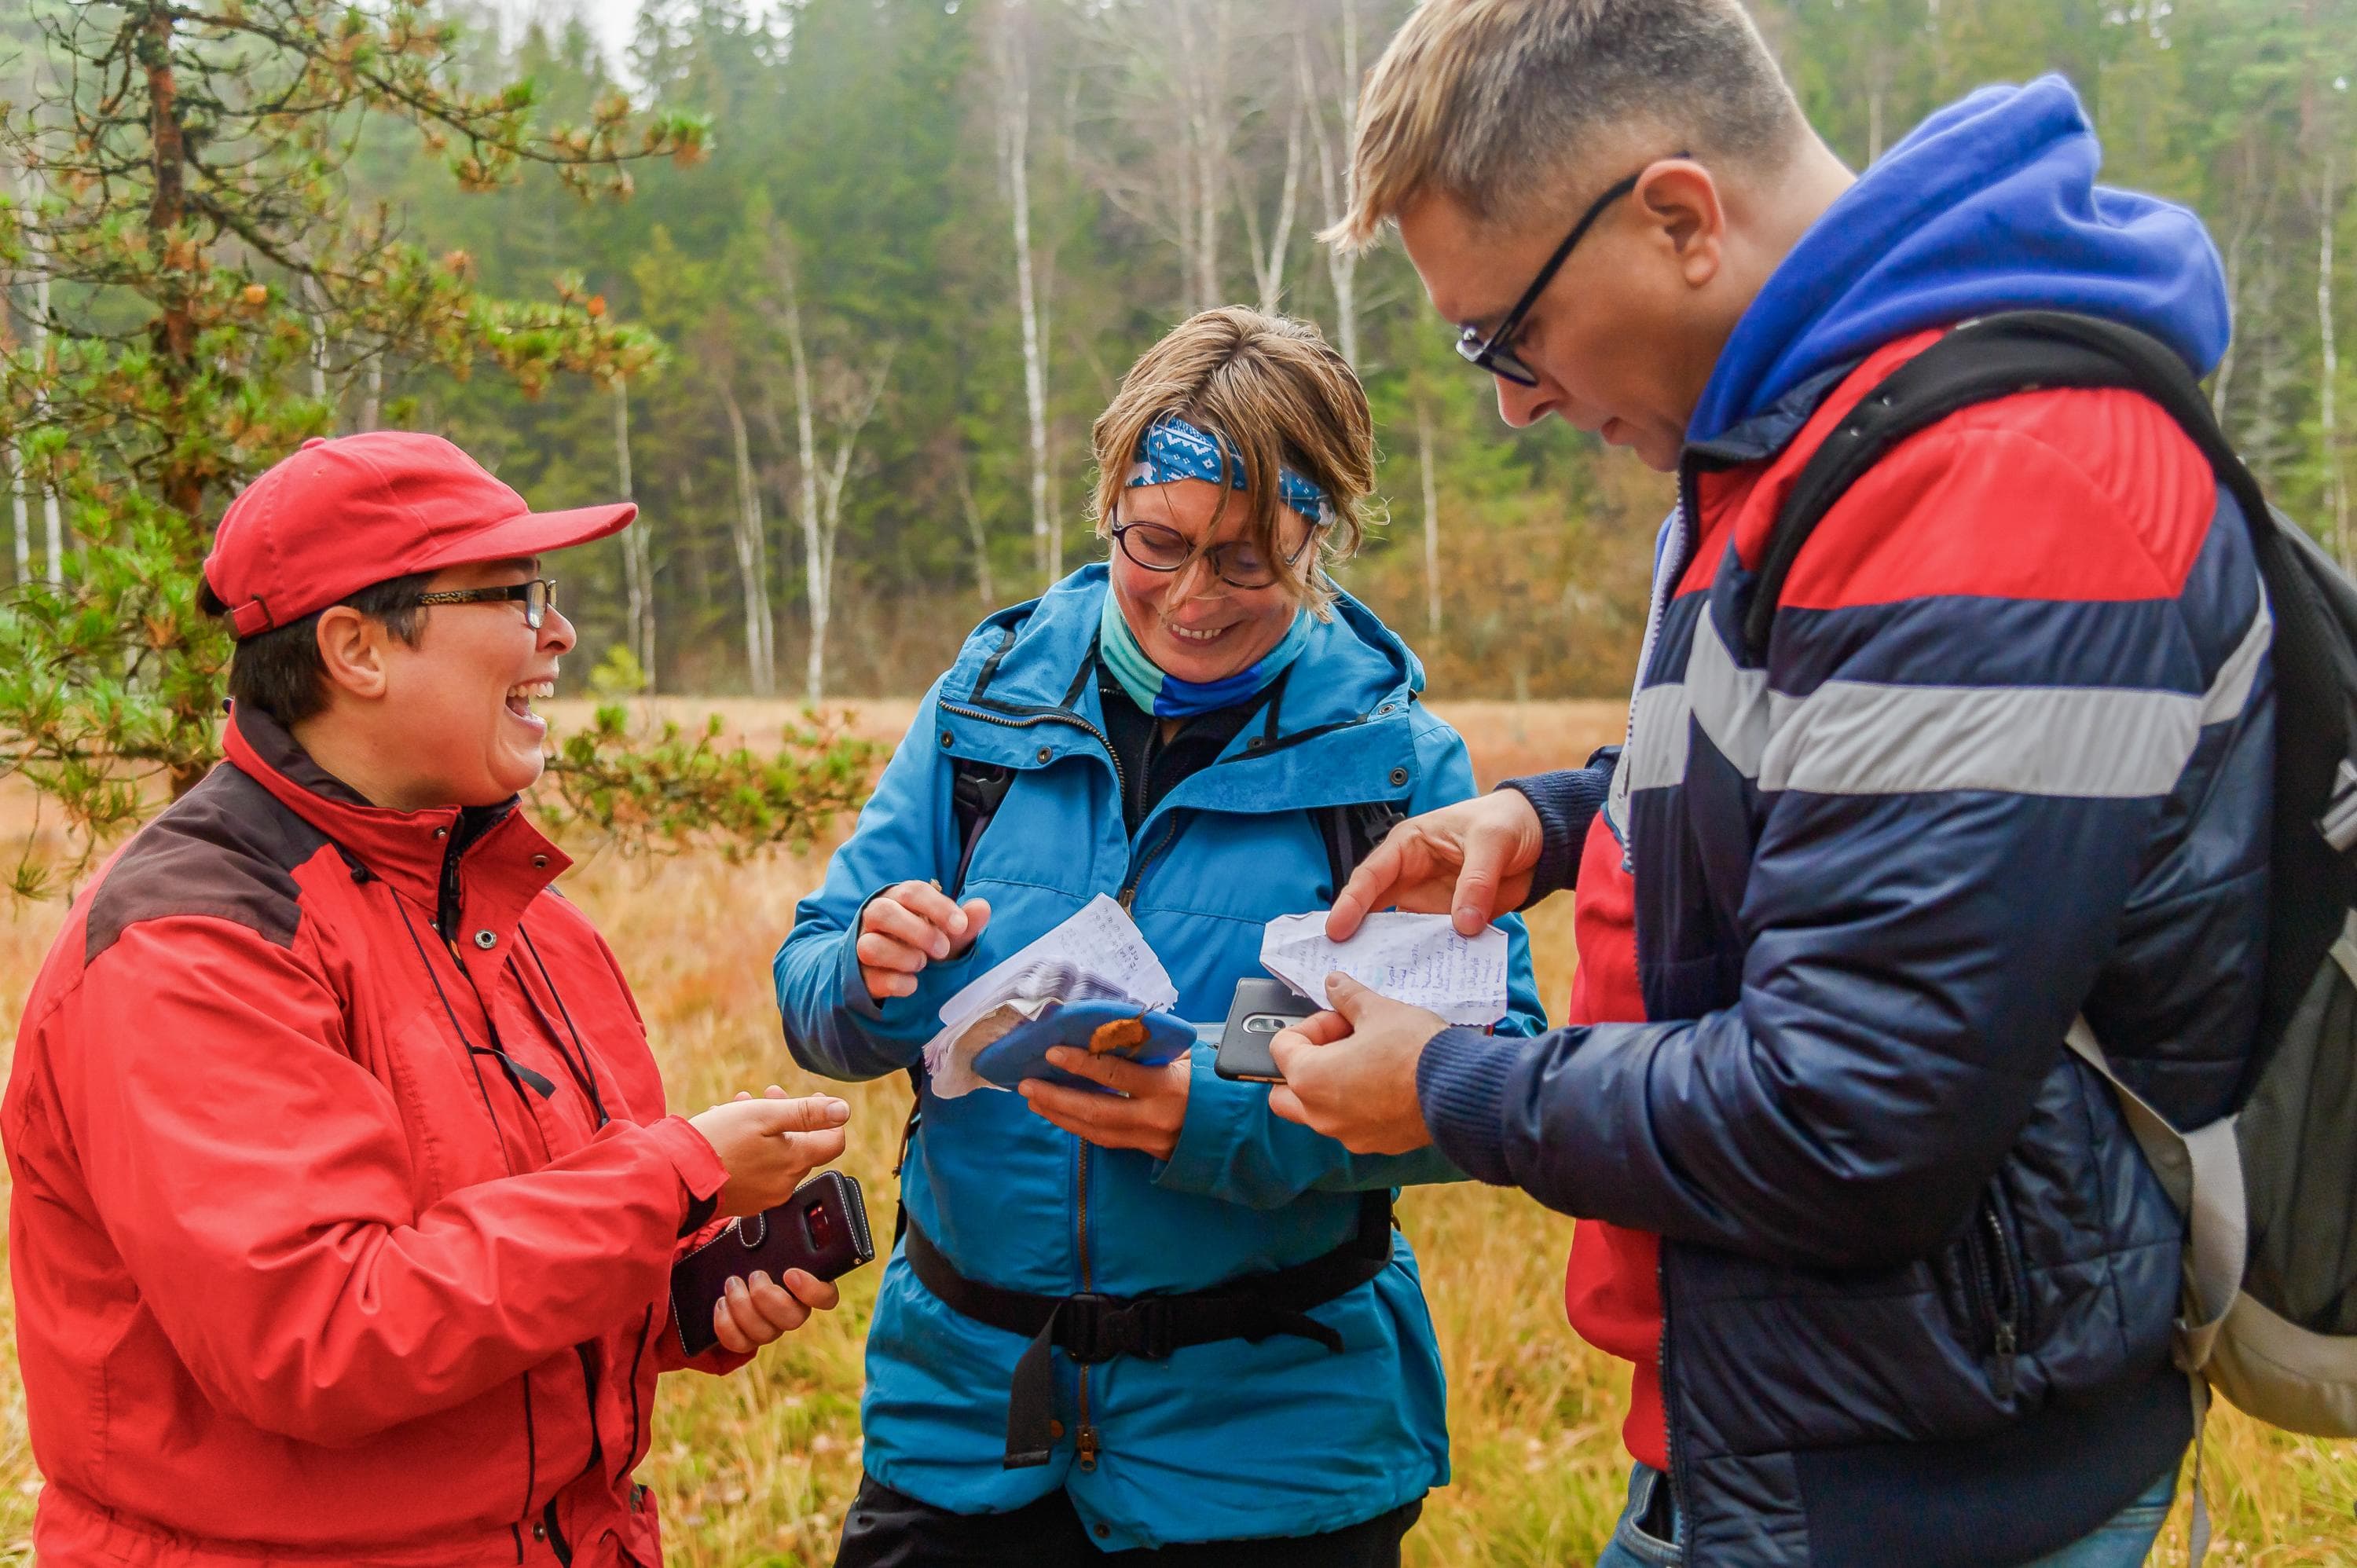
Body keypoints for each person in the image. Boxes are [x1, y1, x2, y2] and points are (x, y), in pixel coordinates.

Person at [1267, 5, 2265, 1567]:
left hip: (1919, 1488)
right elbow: (1831, 782)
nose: (1516, 399)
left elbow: (1850, 1112)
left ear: (1678, 218)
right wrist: (1559, 819)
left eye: (1507, 334)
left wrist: (1450, 1085)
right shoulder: (1800, 446)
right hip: (1786, 1427)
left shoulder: (1991, 479)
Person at [775, 306, 1545, 1565]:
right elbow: (810, 987)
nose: (1191, 598)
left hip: (1267, 1460)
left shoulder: (1396, 769)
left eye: (1246, 559)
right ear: (1110, 508)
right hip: (967, 1429)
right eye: (1159, 543)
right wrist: (869, 971)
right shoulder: (983, 714)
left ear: (1321, 533)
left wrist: (1217, 1107)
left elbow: (1485, 1078)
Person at [3, 432, 853, 1567]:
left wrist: (681, 1294)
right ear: (357, 649)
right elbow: (318, 1336)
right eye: (515, 595)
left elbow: (519, 1269)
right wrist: (669, 1181)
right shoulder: (196, 939)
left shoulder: (521, 912)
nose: (560, 632)